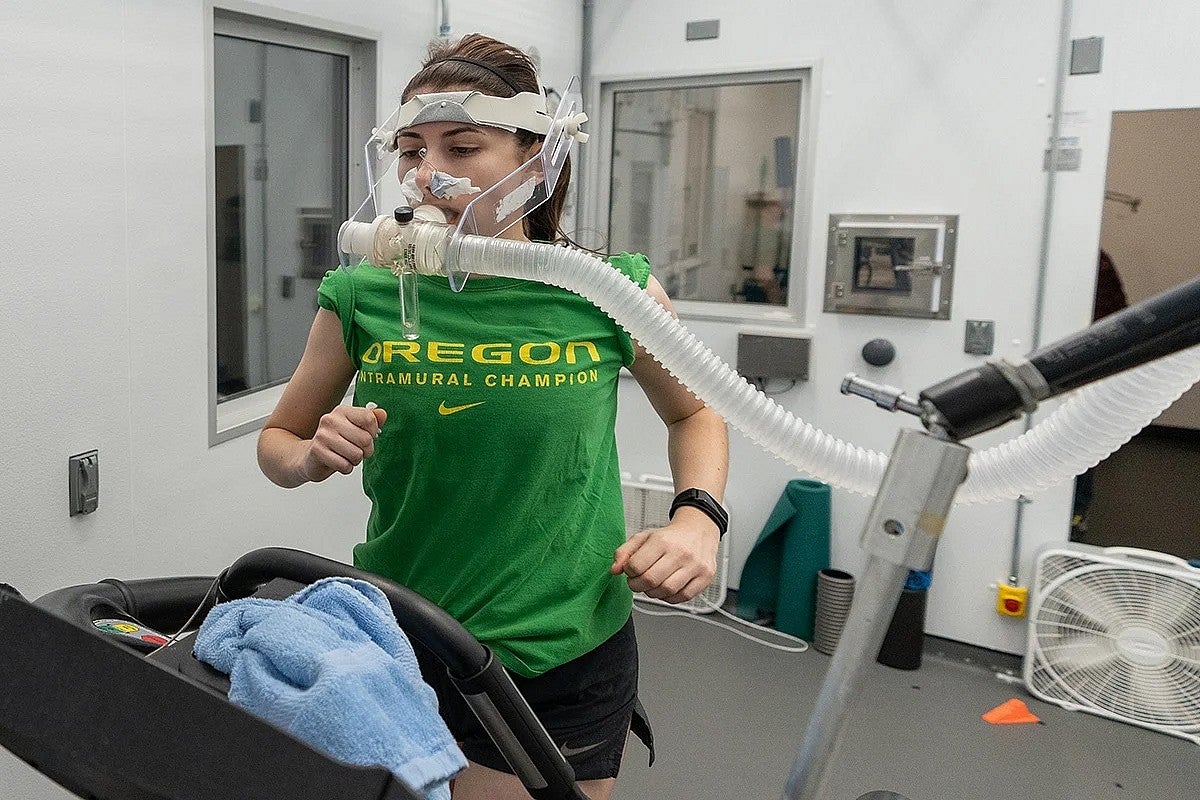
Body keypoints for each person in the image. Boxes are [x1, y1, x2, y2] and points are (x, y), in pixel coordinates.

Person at [256, 33, 729, 800]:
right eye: (410, 149)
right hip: (403, 635)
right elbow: (278, 441)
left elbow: (700, 410)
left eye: (463, 145)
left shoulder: (607, 288)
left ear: (536, 160)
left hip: (561, 645)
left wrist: (697, 517)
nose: (427, 171)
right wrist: (309, 455)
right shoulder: (364, 292)